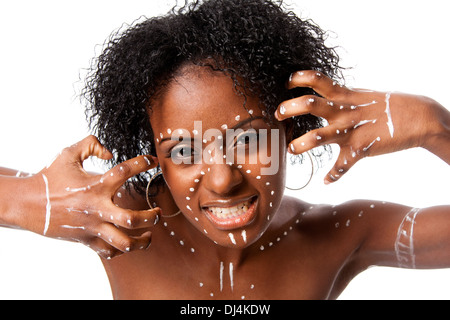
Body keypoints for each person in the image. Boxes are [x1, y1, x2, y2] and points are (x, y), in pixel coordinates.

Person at [0, 0, 449, 300]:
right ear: (152, 152)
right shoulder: (115, 218)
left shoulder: (341, 233)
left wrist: (436, 128)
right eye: (183, 151)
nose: (222, 179)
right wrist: (21, 199)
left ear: (289, 129)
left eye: (250, 139)